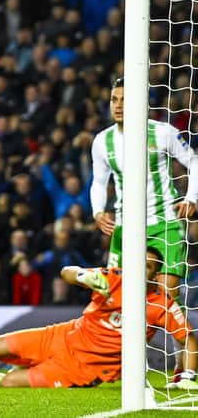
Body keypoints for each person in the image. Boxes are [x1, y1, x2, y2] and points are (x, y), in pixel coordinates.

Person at [91, 77, 198, 375]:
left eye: (125, 99)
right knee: (118, 299)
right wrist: (97, 211)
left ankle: (184, 369)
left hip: (165, 222)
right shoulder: (103, 141)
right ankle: (120, 366)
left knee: (167, 297)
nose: (119, 105)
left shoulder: (164, 132)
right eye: (114, 99)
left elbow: (194, 163)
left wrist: (191, 198)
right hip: (126, 227)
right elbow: (99, 182)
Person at [0, 247, 198, 389]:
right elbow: (67, 271)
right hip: (64, 335)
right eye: (138, 262)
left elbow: (188, 338)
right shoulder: (113, 277)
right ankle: (33, 364)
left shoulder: (161, 304)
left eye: (148, 266)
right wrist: (84, 276)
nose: (140, 269)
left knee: (8, 382)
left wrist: (188, 374)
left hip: (86, 367)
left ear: (155, 275)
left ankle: (28, 371)